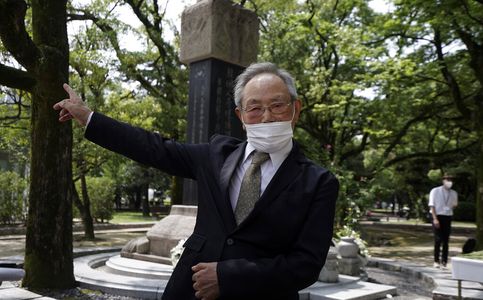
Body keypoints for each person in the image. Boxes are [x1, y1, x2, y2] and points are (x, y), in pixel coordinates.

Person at [53, 62, 339, 300]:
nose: (266, 117)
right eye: (254, 108)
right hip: (189, 291)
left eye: (277, 106)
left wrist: (226, 276)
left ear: (295, 110)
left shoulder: (318, 182)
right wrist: (89, 118)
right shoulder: (216, 155)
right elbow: (153, 147)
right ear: (241, 116)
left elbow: (306, 265)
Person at [428, 174, 458, 269]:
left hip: (447, 216)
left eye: (451, 180)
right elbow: (432, 205)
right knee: (438, 239)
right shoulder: (435, 191)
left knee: (446, 240)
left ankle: (444, 261)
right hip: (437, 215)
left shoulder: (454, 193)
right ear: (443, 181)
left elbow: (454, 204)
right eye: (447, 180)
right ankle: (436, 261)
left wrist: (451, 206)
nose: (449, 182)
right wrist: (435, 218)